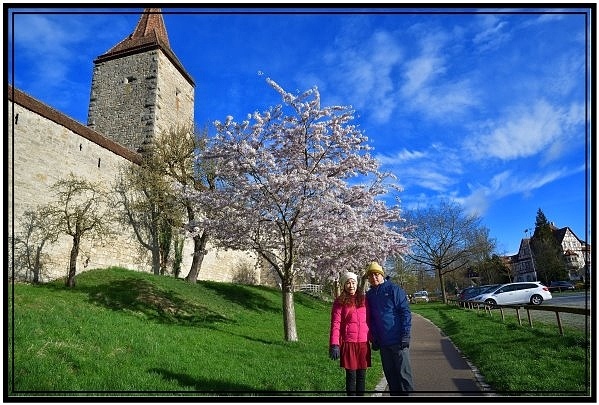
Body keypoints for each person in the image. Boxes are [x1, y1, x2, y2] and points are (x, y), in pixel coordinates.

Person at [365, 261, 414, 395]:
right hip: (383, 343)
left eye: (376, 274)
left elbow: (405, 312)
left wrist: (405, 334)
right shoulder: (369, 295)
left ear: (382, 275)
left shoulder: (394, 289)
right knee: (391, 377)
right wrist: (374, 337)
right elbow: (371, 319)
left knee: (404, 376)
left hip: (398, 341)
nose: (374, 277)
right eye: (371, 275)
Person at [329, 271, 371, 396]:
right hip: (349, 343)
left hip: (363, 343)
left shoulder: (364, 300)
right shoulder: (339, 302)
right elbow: (335, 324)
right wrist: (334, 344)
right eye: (348, 283)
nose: (351, 285)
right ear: (343, 285)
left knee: (361, 376)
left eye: (353, 282)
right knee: (351, 376)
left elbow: (370, 320)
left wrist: (374, 337)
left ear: (357, 284)